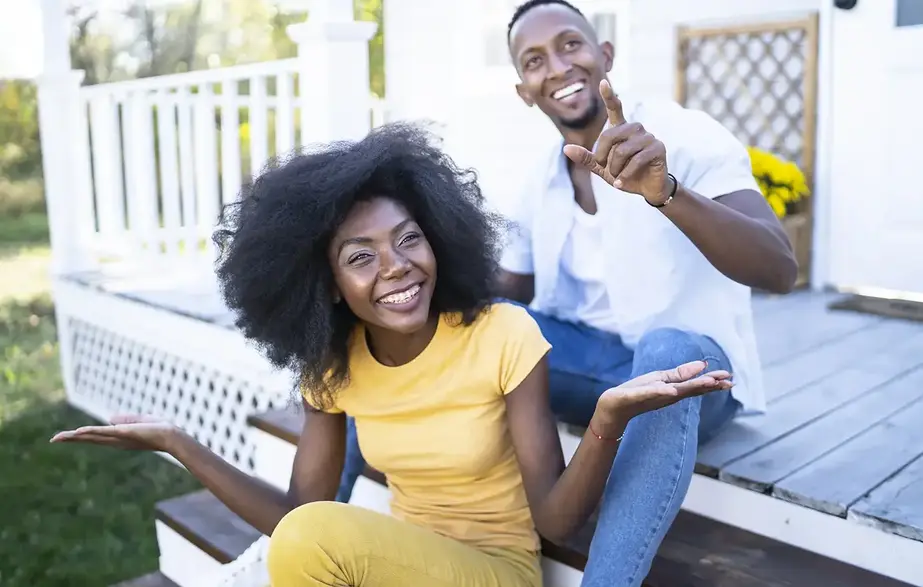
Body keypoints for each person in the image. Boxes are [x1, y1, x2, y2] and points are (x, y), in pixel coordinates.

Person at [50, 123, 732, 586]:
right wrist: (178, 442)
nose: (396, 267)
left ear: (437, 236)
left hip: (494, 569)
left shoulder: (501, 333)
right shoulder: (334, 367)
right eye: (360, 257)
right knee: (310, 535)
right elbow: (297, 511)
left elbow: (554, 520)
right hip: (401, 565)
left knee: (313, 540)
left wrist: (608, 417)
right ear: (328, 284)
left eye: (408, 239)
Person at [334, 0, 799, 585]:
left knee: (665, 349)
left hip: (695, 375)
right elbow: (507, 293)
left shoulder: (683, 135)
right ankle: (317, 530)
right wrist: (398, 279)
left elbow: (781, 269)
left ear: (605, 56)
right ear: (524, 90)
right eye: (534, 60)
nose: (556, 66)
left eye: (570, 46)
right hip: (592, 368)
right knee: (397, 320)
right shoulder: (541, 179)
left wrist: (666, 191)